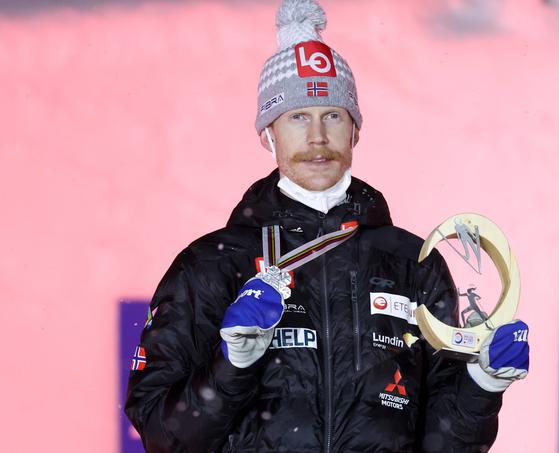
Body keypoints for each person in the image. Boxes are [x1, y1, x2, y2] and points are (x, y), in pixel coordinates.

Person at [125, 1, 530, 451]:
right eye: (298, 116)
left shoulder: (412, 264)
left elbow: (444, 445)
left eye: (333, 116)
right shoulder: (210, 266)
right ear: (268, 134)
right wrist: (232, 366)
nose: (317, 137)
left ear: (355, 131)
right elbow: (162, 434)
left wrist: (482, 384)